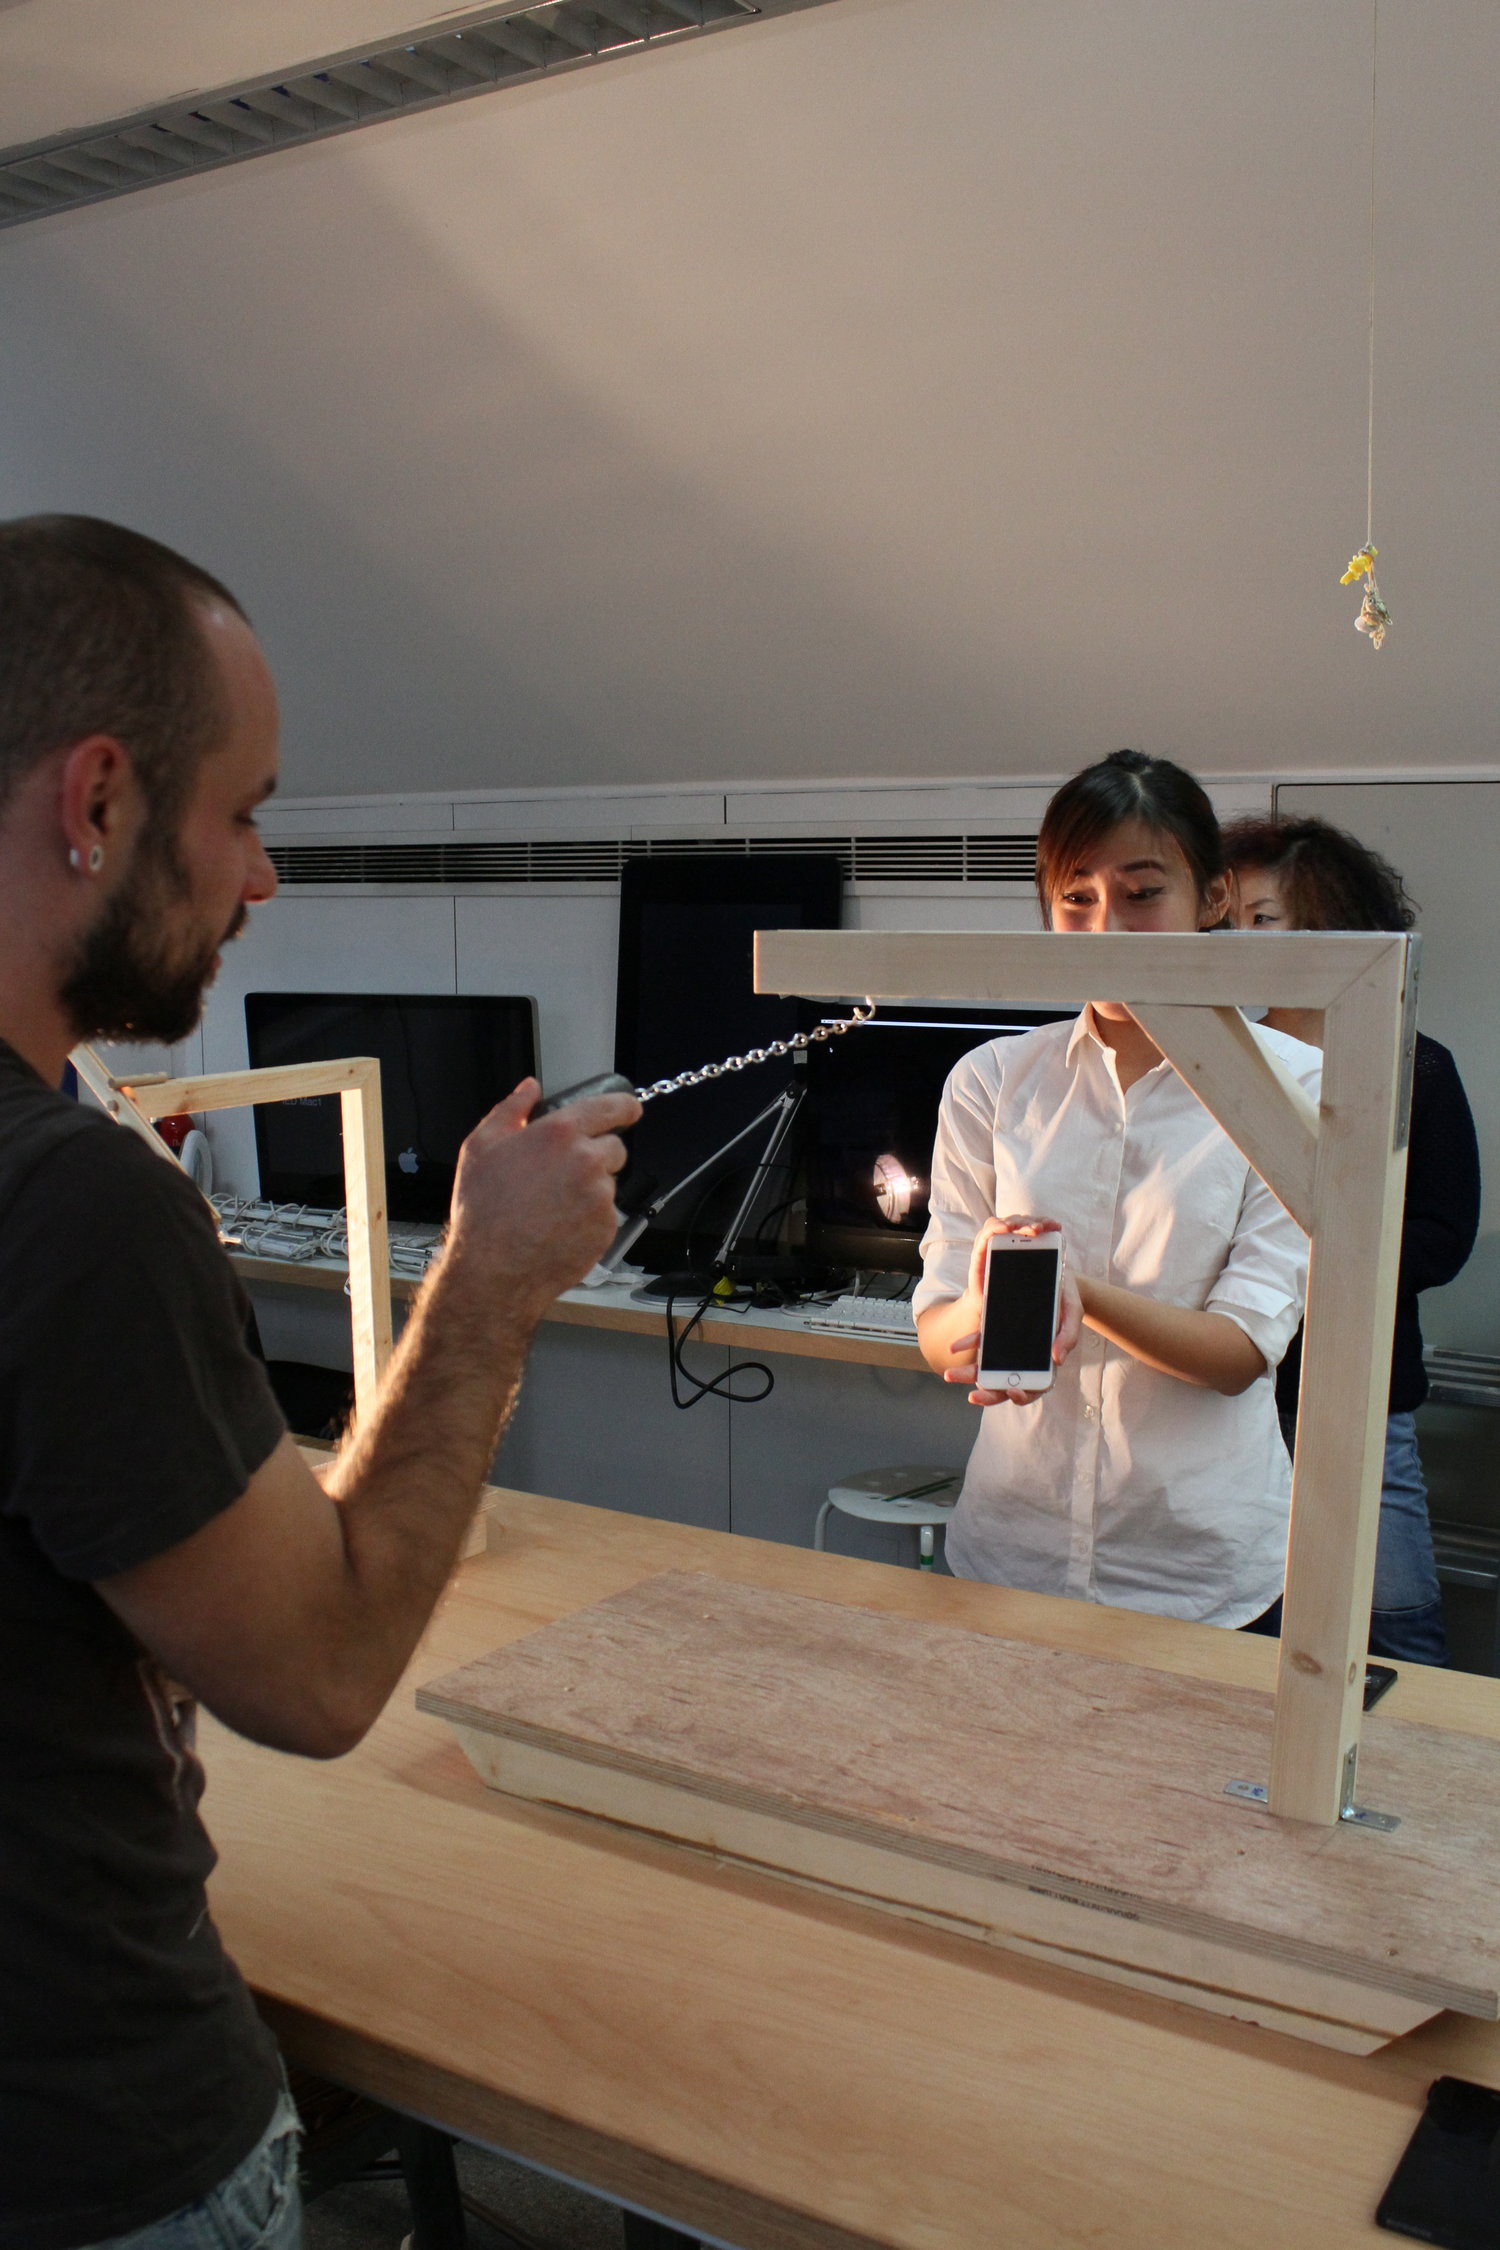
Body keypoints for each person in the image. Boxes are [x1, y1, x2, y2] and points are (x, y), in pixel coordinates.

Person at [0, 515, 640, 2250]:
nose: (263, 876)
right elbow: (323, 1671)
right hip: (91, 2153)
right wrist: (489, 1283)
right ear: (99, 800)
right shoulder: (74, 1207)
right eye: (245, 813)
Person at [913, 750, 1320, 1630]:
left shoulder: (1293, 1087)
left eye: (1142, 894)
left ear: (1212, 898)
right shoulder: (992, 1081)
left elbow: (1240, 1352)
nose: (1106, 929)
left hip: (1199, 1570)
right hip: (1011, 1550)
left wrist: (1077, 1291)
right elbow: (938, 1325)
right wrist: (984, 1304)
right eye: (1076, 898)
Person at [1224, 813, 1480, 1667]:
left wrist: (1310, 1257)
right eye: (1229, 920)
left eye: (1263, 918)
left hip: (1359, 1387)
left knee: (1397, 1619)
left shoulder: (1415, 1064)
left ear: (1327, 923)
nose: (1241, 940)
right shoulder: (1220, 1056)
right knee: (1254, 1616)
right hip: (1233, 1386)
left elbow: (1443, 1236)